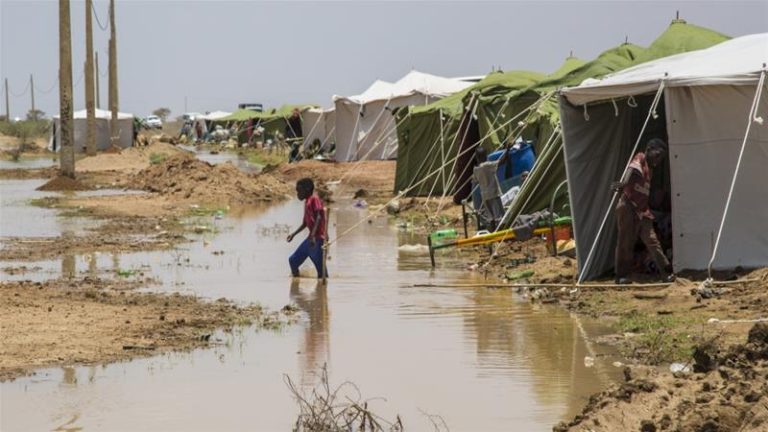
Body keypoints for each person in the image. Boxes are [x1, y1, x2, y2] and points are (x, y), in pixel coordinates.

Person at [612, 138, 674, 284]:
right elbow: (631, 171)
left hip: (643, 211)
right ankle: (621, 276)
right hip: (628, 205)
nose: (658, 160)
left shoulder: (650, 171)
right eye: (657, 155)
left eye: (661, 157)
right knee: (625, 241)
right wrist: (623, 184)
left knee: (652, 241)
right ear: (649, 149)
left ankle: (666, 272)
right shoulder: (640, 158)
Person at [287, 178, 328, 279]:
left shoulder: (314, 199)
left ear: (307, 189)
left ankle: (322, 291)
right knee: (293, 260)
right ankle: (296, 281)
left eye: (299, 191)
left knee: (321, 273)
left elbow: (318, 217)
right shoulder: (307, 202)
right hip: (311, 239)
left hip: (318, 239)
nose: (298, 194)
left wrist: (313, 235)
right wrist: (293, 234)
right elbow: (305, 223)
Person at [473, 142, 511, 230]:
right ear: (485, 156)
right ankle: (500, 230)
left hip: (484, 195)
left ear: (477, 158)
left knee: (491, 216)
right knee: (498, 213)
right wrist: (508, 149)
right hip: (493, 193)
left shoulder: (476, 169)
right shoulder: (488, 165)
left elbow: (475, 180)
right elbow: (502, 161)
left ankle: (492, 230)